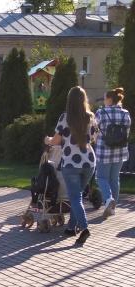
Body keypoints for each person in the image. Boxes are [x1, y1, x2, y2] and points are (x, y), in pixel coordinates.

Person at [45, 86, 98, 245]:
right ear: (84, 100)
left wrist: (47, 140)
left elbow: (55, 141)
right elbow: (94, 138)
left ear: (70, 101)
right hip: (89, 162)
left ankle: (84, 228)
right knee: (78, 196)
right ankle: (71, 227)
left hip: (71, 163)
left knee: (75, 197)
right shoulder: (91, 117)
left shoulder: (64, 118)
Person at [95, 87, 132, 219]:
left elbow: (93, 130)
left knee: (101, 178)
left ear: (109, 99)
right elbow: (126, 133)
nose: (104, 101)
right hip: (120, 152)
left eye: (105, 98)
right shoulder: (125, 113)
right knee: (114, 179)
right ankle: (112, 208)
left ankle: (108, 199)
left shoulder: (101, 112)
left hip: (104, 151)